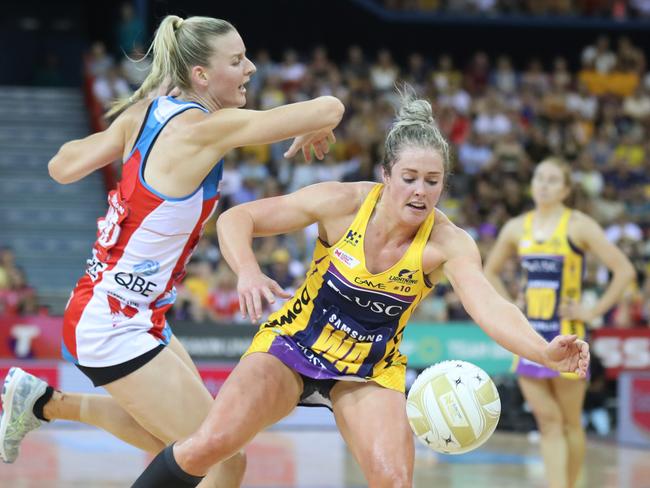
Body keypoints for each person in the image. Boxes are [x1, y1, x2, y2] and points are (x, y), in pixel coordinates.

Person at [131, 88, 590, 488]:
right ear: (385, 175)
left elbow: (490, 304)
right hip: (292, 344)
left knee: (393, 481)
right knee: (209, 445)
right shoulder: (344, 203)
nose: (419, 192)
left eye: (432, 182)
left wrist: (542, 350)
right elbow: (237, 217)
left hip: (368, 368)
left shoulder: (448, 243)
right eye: (409, 178)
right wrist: (248, 270)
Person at [0, 14, 344, 488]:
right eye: (237, 60)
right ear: (201, 75)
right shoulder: (202, 130)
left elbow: (61, 167)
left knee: (187, 443)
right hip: (113, 321)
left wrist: (132, 118)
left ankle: (41, 401)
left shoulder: (145, 114)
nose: (250, 70)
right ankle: (41, 402)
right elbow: (329, 107)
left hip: (123, 307)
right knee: (224, 457)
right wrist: (313, 124)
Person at [484, 158, 635, 488]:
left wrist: (592, 312)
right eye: (539, 177)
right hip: (529, 338)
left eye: (553, 180)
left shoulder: (578, 224)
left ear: (566, 189)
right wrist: (510, 303)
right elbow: (489, 270)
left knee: (569, 423)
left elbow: (624, 270)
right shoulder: (516, 227)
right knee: (548, 421)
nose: (544, 184)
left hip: (568, 337)